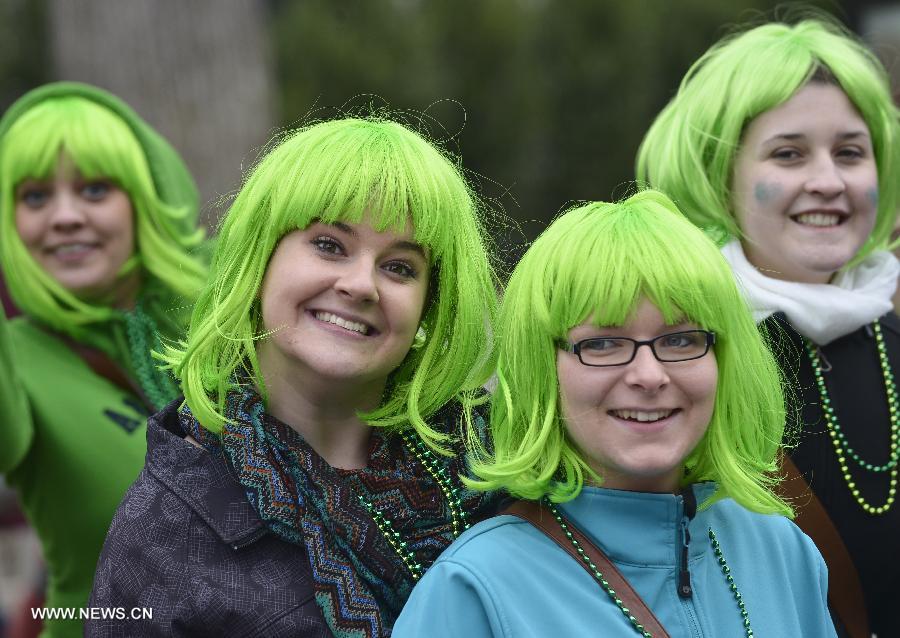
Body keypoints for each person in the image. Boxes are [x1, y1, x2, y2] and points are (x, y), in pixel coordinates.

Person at [88, 116, 501, 637]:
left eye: (400, 267)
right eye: (329, 244)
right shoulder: (162, 528)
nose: (360, 285)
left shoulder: (494, 470)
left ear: (429, 307)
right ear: (257, 260)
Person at [393, 191, 836, 637]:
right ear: (542, 368)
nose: (649, 375)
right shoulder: (474, 587)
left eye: (681, 340)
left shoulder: (783, 552)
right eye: (602, 343)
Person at [636, 18, 900, 637]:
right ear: (718, 176)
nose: (828, 181)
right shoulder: (669, 357)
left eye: (850, 153)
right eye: (788, 153)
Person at [0, 82, 207, 638]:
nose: (64, 217)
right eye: (34, 197)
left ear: (146, 195)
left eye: (94, 189)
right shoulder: (15, 359)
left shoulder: (224, 311)